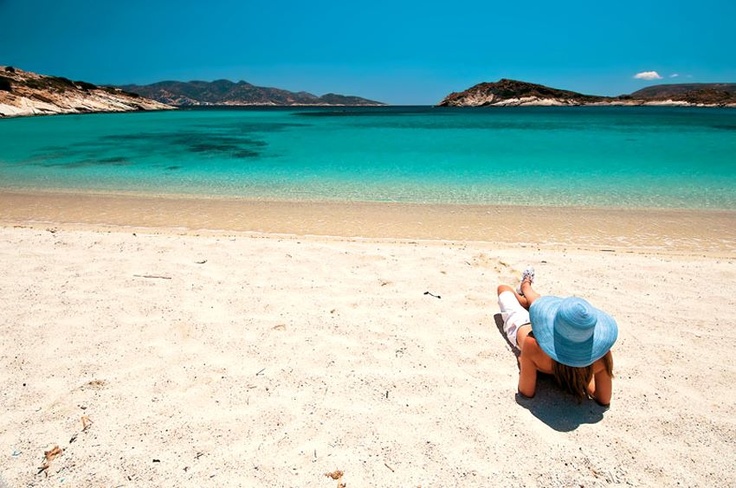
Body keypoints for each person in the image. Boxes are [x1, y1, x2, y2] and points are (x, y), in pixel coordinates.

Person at [497, 268, 618, 407]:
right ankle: (526, 288)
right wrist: (582, 374)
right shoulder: (601, 358)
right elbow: (604, 399)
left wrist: (525, 360)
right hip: (549, 330)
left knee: (503, 288)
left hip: (524, 326)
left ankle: (524, 293)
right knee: (537, 303)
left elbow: (526, 392)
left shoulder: (532, 344)